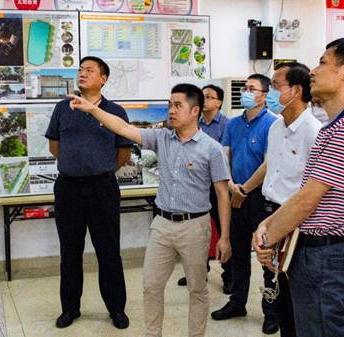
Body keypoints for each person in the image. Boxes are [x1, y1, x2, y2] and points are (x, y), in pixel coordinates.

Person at [68, 83, 232, 337]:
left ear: (195, 110)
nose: (171, 110)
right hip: (162, 225)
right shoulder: (162, 138)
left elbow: (222, 193)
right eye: (169, 104)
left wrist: (224, 237)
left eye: (178, 105)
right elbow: (122, 127)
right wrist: (92, 109)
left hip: (195, 226)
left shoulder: (211, 148)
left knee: (197, 289)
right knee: (151, 286)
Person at [253, 37, 344, 337]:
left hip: (324, 259)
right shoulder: (333, 127)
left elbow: (309, 198)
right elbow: (303, 194)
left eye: (323, 62)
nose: (313, 70)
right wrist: (267, 225)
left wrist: (267, 237)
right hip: (309, 253)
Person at [45, 56, 133, 329]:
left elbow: (124, 153)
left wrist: (99, 169)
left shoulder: (115, 111)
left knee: (109, 251)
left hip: (102, 188)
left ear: (103, 78)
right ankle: (70, 309)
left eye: (89, 70)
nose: (82, 73)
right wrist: (77, 166)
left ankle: (116, 309)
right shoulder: (62, 108)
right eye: (81, 69)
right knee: (70, 251)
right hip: (68, 187)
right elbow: (54, 147)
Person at [241, 62, 322, 337]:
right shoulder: (277, 127)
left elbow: (313, 190)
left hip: (295, 221)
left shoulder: (314, 131)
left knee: (296, 290)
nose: (270, 93)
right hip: (269, 212)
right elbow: (270, 166)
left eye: (275, 86)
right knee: (275, 284)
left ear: (296, 90)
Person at [211, 74, 279, 335]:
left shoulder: (273, 124)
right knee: (238, 254)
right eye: (244, 88)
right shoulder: (234, 124)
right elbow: (224, 155)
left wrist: (246, 189)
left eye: (252, 89)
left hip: (262, 199)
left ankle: (271, 311)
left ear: (264, 94)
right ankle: (237, 302)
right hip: (234, 192)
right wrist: (230, 186)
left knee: (267, 257)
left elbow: (268, 162)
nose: (246, 92)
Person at [177, 84, 232, 293]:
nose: (205, 100)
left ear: (218, 102)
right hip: (197, 186)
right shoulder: (195, 124)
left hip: (218, 186)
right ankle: (198, 271)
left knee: (223, 230)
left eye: (209, 97)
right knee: (198, 232)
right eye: (203, 96)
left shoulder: (227, 125)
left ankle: (229, 275)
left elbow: (226, 157)